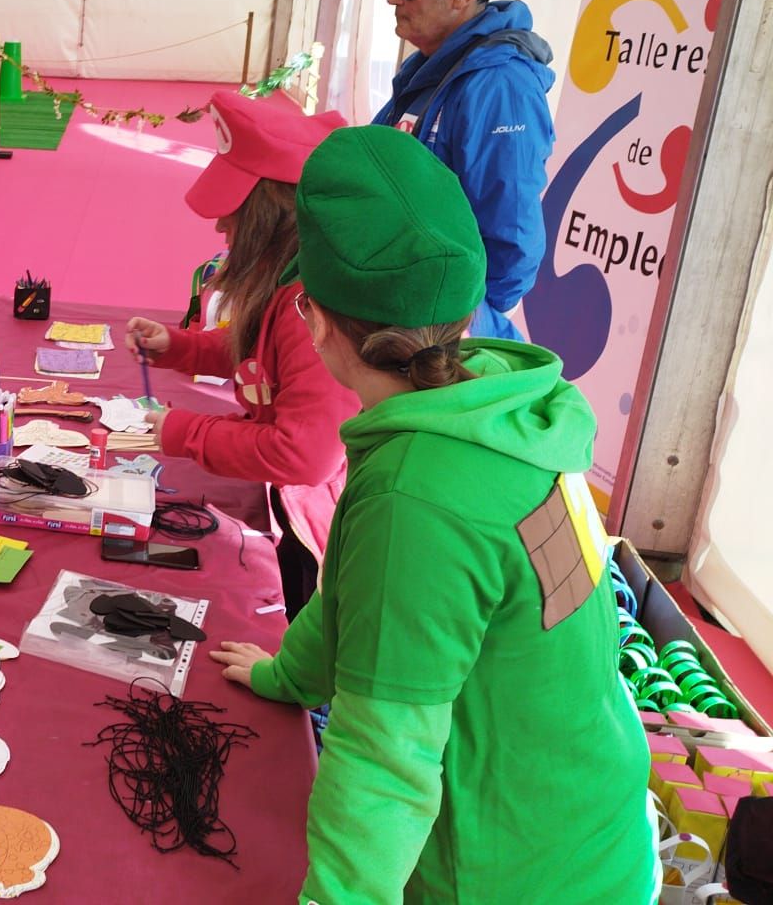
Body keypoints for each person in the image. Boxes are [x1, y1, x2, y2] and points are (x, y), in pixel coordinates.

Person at [206, 127, 653, 901]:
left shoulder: (415, 497)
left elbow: (386, 760)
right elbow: (362, 601)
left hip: (507, 874)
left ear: (310, 320)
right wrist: (291, 674)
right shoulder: (501, 408)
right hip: (597, 834)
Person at [122, 92, 357, 619]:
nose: (219, 228)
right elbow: (261, 358)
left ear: (269, 214)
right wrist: (181, 347)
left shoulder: (310, 310)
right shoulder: (289, 282)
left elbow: (306, 456)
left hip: (313, 520)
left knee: (302, 618)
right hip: (293, 502)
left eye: (231, 213)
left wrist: (184, 433)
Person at [371, 0, 555, 341]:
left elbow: (510, 229)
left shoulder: (500, 85)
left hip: (442, 324)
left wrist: (463, 323)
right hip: (406, 302)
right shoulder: (434, 64)